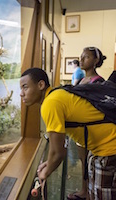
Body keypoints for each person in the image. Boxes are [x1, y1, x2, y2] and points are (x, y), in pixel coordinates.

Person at [20, 68, 116, 200]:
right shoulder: (57, 93)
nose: (21, 93)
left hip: (109, 149)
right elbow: (56, 147)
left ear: (41, 85)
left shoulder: (50, 103)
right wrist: (49, 163)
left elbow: (58, 152)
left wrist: (45, 173)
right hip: (101, 148)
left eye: (25, 87)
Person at [67, 47, 106, 200]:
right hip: (80, 129)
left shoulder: (99, 82)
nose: (82, 60)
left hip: (93, 130)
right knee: (83, 163)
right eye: (81, 57)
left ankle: (90, 192)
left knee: (91, 163)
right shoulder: (82, 80)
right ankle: (85, 190)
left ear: (96, 61)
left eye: (87, 57)